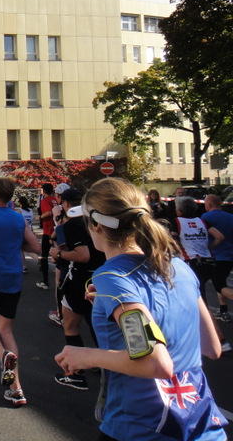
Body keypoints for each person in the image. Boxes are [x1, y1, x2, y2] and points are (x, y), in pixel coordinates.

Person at [56, 177, 227, 441]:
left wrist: (86, 356)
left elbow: (155, 361)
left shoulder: (113, 279)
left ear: (96, 226)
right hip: (203, 425)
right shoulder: (178, 266)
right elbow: (211, 347)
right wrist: (115, 306)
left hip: (141, 428)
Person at [0, 178, 41, 407]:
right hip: (14, 277)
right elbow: (34, 245)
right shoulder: (18, 217)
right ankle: (17, 390)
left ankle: (2, 354)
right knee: (6, 328)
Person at [50, 188, 105, 391]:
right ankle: (103, 364)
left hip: (81, 279)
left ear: (65, 205)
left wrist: (59, 254)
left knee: (71, 325)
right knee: (97, 324)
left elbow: (82, 255)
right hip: (103, 277)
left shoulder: (73, 224)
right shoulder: (98, 221)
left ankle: (75, 373)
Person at [202, 194, 233, 324]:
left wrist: (209, 247)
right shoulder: (230, 217)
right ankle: (223, 310)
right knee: (220, 281)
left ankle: (204, 312)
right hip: (230, 254)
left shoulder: (205, 218)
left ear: (209, 205)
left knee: (217, 284)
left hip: (217, 255)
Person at [37, 183, 58, 290]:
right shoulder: (55, 199)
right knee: (61, 253)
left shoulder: (45, 200)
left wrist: (40, 217)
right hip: (57, 229)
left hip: (48, 231)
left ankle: (45, 281)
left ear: (43, 190)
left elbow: (48, 212)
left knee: (44, 256)